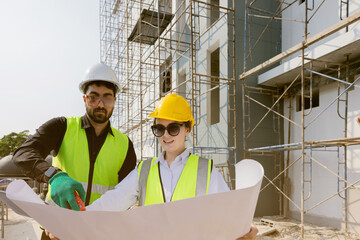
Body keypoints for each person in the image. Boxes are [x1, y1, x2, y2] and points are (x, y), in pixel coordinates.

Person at [87, 93, 258, 239]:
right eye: (160, 129)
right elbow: (115, 200)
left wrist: (245, 226)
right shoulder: (145, 169)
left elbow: (228, 210)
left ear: (188, 129)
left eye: (173, 128)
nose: (166, 135)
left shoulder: (205, 170)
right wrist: (81, 217)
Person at [12, 63, 137, 240]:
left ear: (114, 101)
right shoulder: (61, 127)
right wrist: (53, 175)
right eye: (94, 97)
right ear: (85, 99)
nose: (100, 104)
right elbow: (23, 154)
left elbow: (127, 193)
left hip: (98, 232)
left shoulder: (124, 144)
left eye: (107, 98)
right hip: (56, 229)